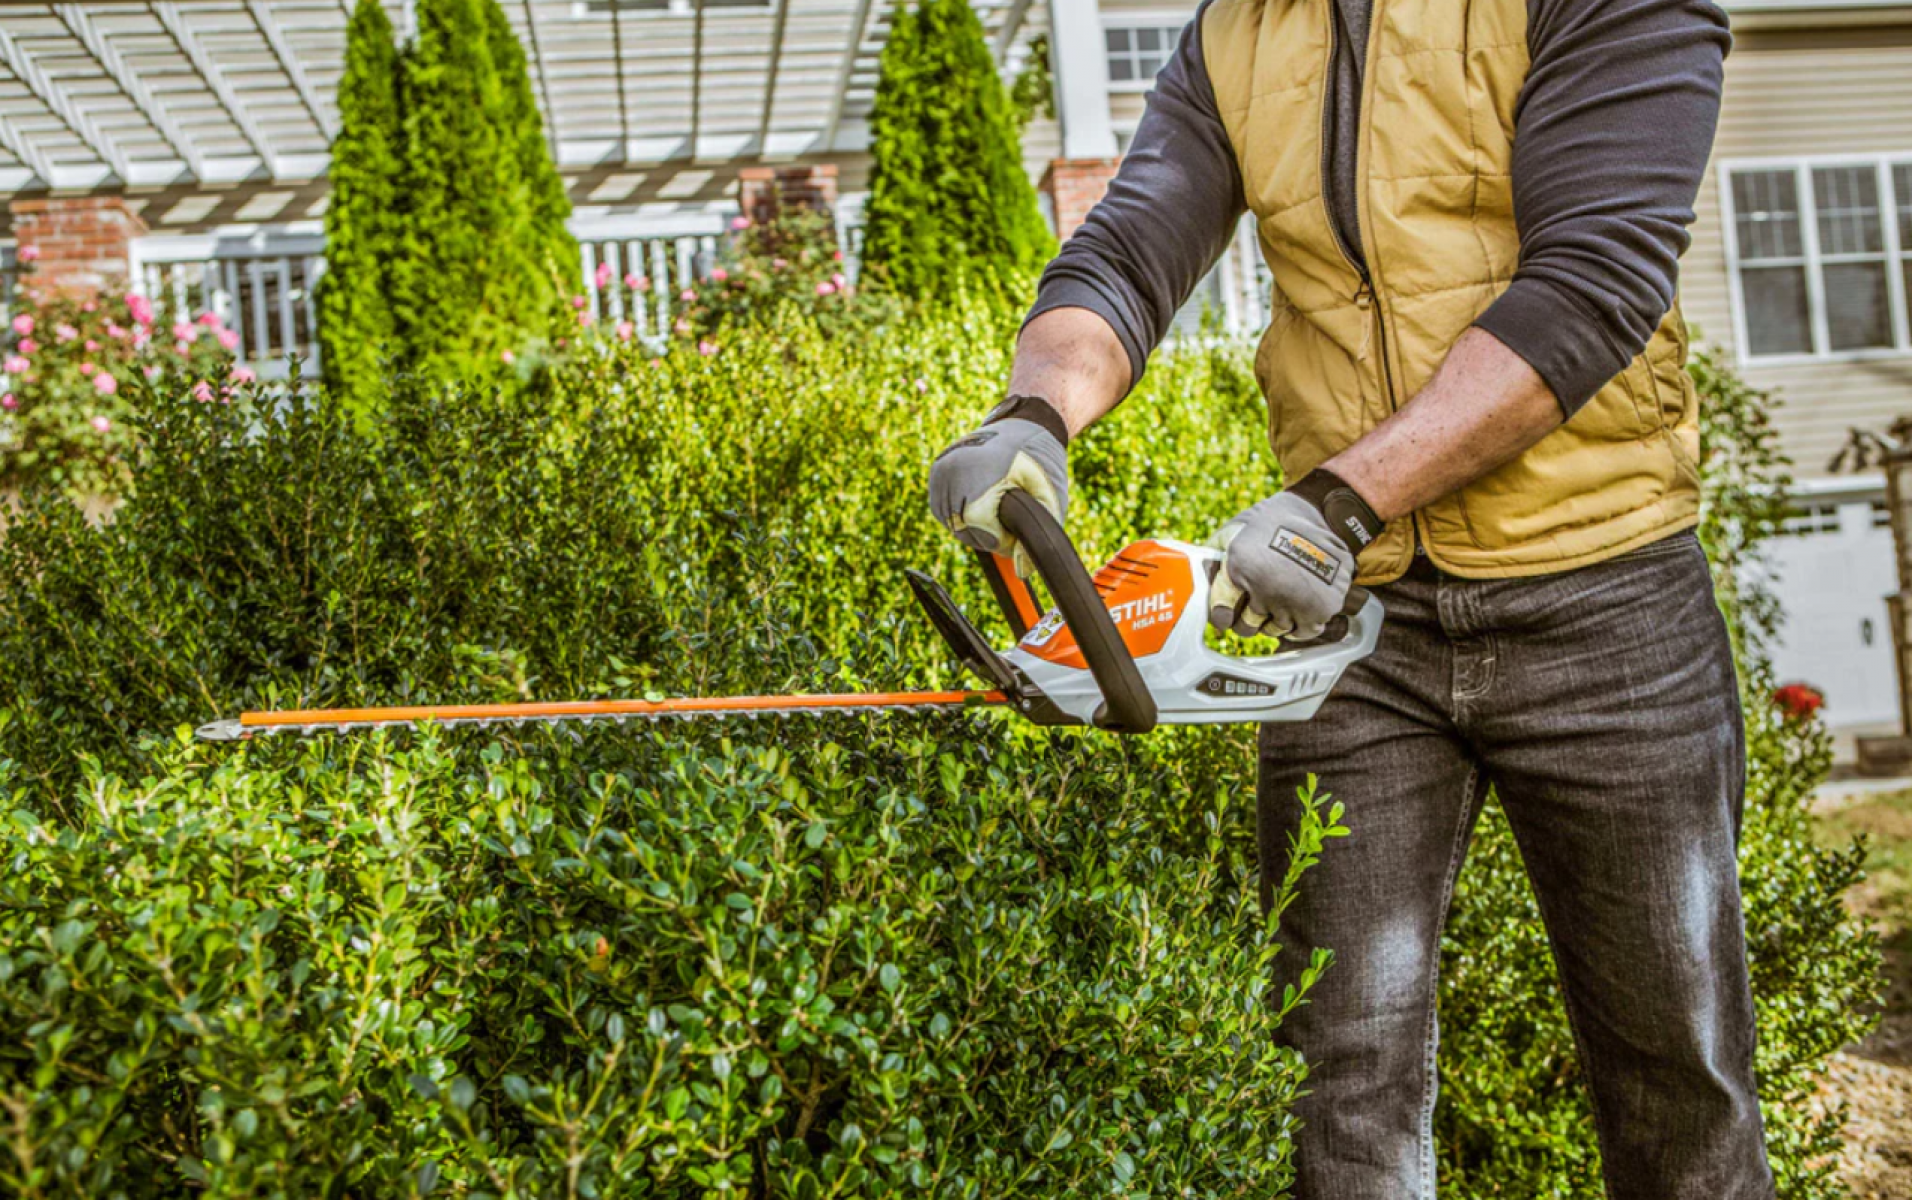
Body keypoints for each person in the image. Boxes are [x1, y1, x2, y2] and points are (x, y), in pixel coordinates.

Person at [925, 1, 1761, 1196]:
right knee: (1334, 1084)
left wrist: (1340, 498)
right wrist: (1034, 412)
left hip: (1601, 596)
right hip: (1347, 628)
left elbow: (1592, 281)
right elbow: (1127, 248)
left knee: (1677, 1074)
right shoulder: (1239, 31)